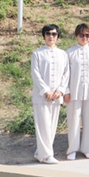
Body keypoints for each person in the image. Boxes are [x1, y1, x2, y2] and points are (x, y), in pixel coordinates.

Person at [30, 24, 69, 164]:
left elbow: (66, 74)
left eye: (54, 34)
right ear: (44, 36)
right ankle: (46, 156)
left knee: (52, 126)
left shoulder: (63, 54)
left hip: (56, 96)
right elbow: (35, 74)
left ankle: (40, 152)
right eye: (48, 33)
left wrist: (60, 90)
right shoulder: (37, 54)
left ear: (57, 36)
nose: (51, 36)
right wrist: (45, 91)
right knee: (43, 126)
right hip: (42, 97)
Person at [64, 23, 89, 160]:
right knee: (73, 121)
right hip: (74, 92)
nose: (84, 38)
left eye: (87, 35)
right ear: (76, 36)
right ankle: (72, 149)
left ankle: (87, 149)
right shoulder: (69, 53)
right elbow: (65, 74)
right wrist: (66, 91)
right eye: (82, 35)